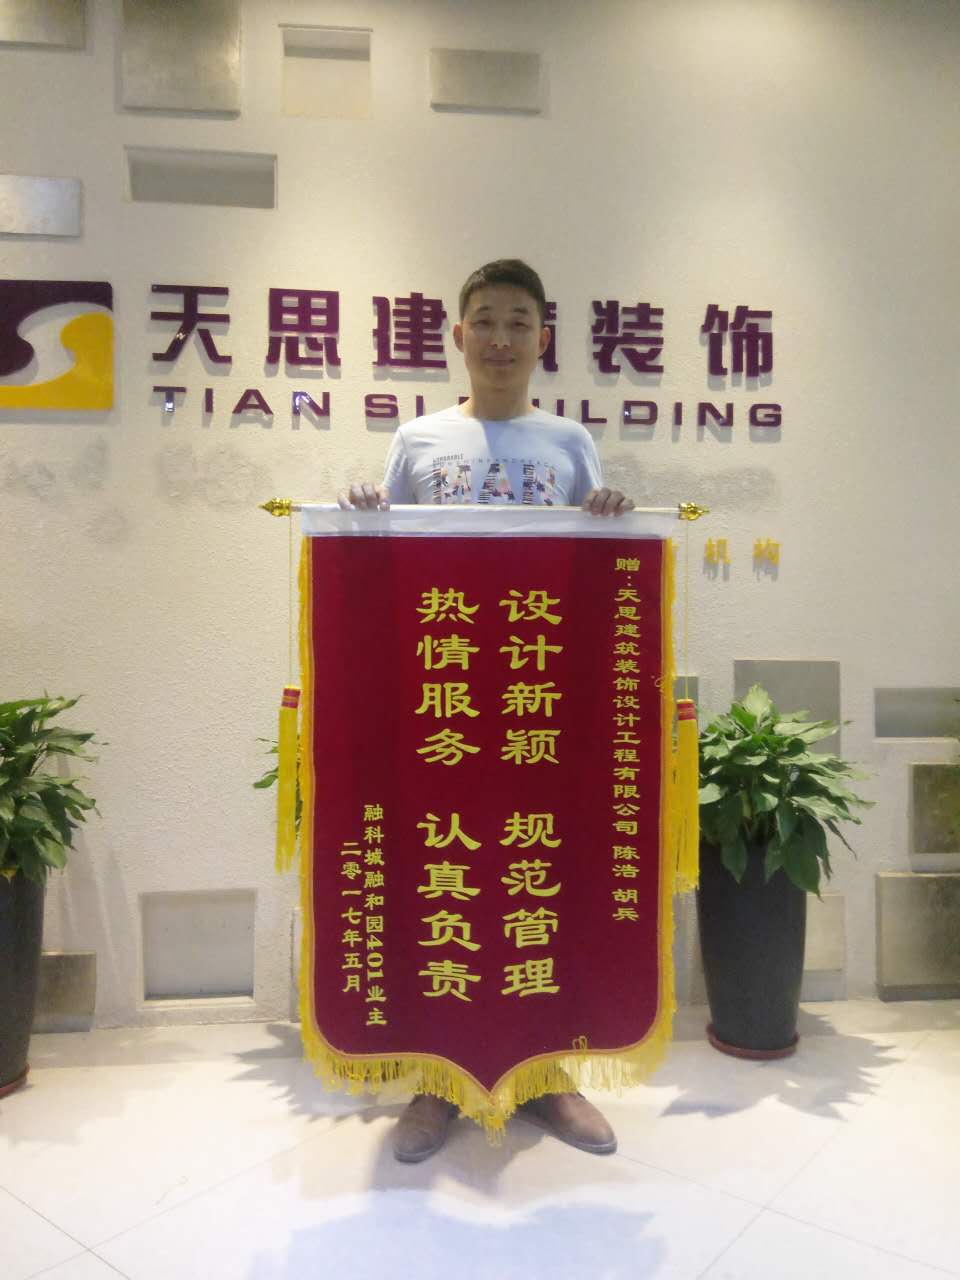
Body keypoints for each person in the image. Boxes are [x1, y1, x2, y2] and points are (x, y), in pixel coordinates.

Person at [337, 259, 636, 1163]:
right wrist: (364, 514)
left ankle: (545, 1079)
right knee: (444, 882)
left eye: (518, 322)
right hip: (445, 716)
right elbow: (390, 573)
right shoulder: (419, 440)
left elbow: (594, 583)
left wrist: (611, 517)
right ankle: (438, 1084)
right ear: (458, 336)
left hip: (538, 716)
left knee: (542, 880)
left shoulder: (569, 443)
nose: (501, 339)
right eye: (485, 321)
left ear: (543, 339)